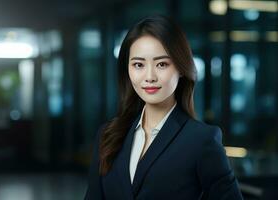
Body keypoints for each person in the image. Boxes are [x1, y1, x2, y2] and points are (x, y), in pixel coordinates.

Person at [84, 15, 243, 200]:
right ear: (127, 70)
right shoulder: (107, 136)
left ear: (181, 68)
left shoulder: (202, 141)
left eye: (161, 64)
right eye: (138, 64)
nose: (149, 76)